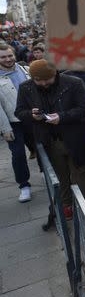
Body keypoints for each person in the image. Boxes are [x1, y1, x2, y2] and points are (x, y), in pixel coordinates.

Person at [15, 60, 85, 218]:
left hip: (74, 137)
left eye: (47, 79)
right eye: (38, 80)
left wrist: (62, 116)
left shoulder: (73, 82)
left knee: (80, 172)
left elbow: (84, 107)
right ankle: (66, 205)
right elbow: (19, 112)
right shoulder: (26, 87)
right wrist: (31, 115)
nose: (44, 83)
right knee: (59, 176)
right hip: (48, 141)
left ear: (55, 74)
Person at [0, 45, 31, 202]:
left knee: (44, 150)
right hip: (14, 123)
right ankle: (24, 186)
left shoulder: (26, 69)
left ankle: (48, 175)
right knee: (18, 155)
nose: (7, 59)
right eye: (3, 57)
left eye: (9, 55)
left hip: (33, 118)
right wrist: (5, 128)